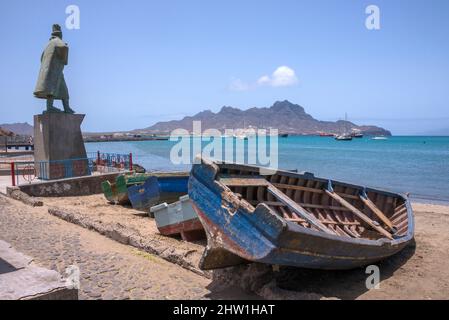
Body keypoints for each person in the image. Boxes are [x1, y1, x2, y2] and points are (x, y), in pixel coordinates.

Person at [34, 24, 75, 114]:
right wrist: (64, 60)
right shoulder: (57, 41)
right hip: (54, 71)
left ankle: (66, 108)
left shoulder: (48, 44)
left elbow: (41, 57)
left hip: (54, 71)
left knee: (61, 90)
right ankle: (51, 108)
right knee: (51, 90)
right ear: (59, 35)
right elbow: (64, 47)